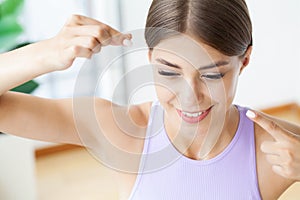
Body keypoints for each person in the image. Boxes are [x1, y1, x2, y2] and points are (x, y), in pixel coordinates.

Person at [0, 0, 300, 199]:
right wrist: (43, 55)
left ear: (244, 60)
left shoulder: (279, 149)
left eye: (212, 75)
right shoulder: (122, 132)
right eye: (169, 73)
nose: (190, 97)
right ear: (150, 58)